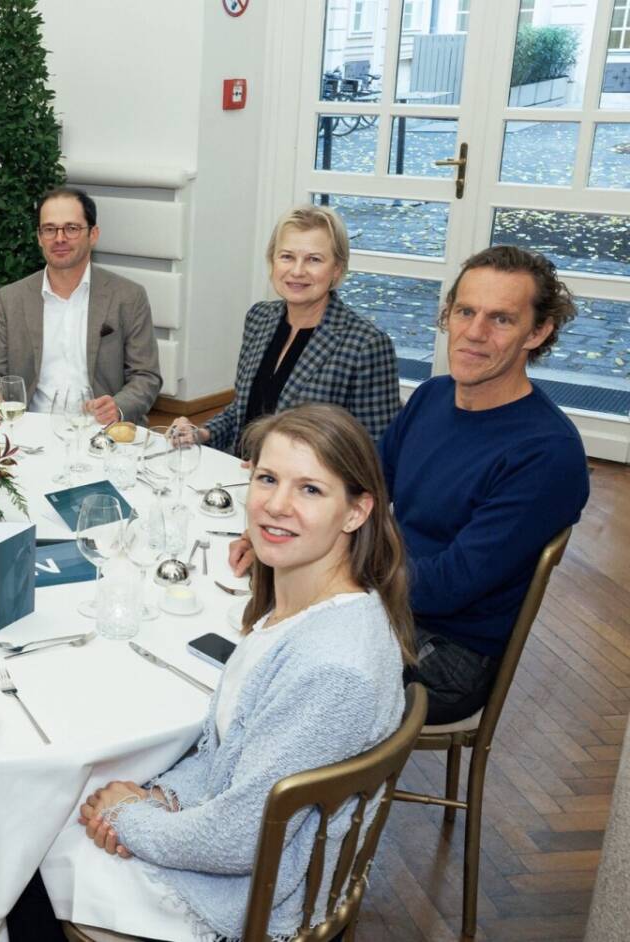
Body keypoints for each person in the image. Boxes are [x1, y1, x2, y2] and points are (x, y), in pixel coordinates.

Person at [31, 403, 416, 941]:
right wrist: (158, 798)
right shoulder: (304, 605)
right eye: (267, 478)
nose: (276, 505)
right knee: (62, 816)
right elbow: (228, 755)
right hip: (236, 841)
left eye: (310, 489)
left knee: (34, 847)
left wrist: (128, 819)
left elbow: (238, 840)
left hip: (250, 897)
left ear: (356, 512)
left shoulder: (333, 667)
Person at [231, 246, 590, 726]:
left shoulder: (546, 454)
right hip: (385, 596)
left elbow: (448, 587)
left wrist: (329, 569)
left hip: (445, 651)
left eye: (501, 319)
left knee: (262, 667)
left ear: (538, 331)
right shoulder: (433, 396)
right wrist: (276, 531)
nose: (475, 333)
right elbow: (360, 489)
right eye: (465, 311)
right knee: (230, 621)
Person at [172, 205, 400, 454]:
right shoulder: (260, 317)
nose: (297, 271)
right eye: (287, 257)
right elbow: (243, 411)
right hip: (241, 469)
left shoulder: (366, 344)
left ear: (337, 268)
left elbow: (375, 451)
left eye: (314, 259)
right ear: (272, 260)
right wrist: (201, 433)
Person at [0, 187, 162, 424]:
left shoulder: (128, 297)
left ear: (93, 234)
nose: (59, 238)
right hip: (29, 428)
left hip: (101, 430)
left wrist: (117, 407)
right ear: (39, 237)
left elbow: (146, 376)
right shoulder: (10, 299)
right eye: (50, 229)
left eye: (71, 228)